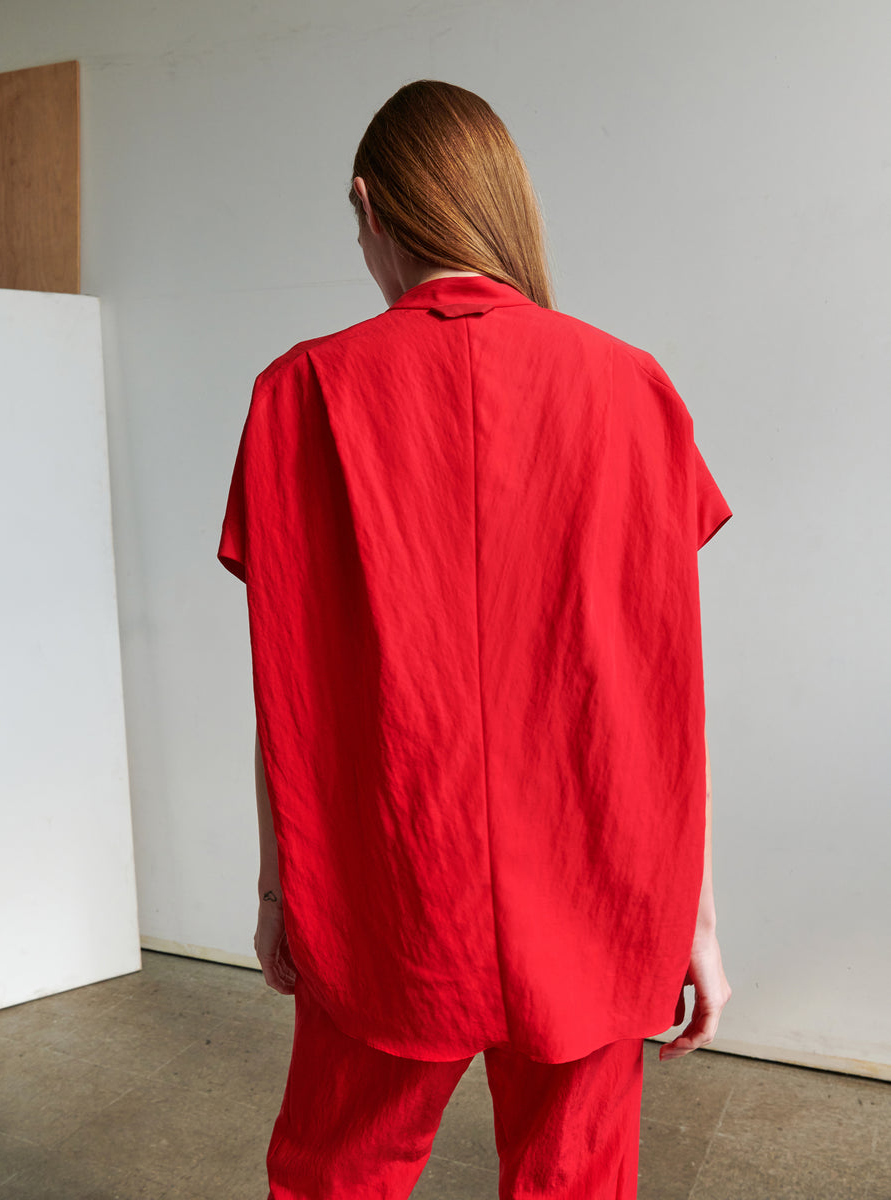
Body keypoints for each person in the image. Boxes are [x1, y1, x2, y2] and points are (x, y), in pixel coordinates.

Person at [218, 79, 732, 1200]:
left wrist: (279, 895)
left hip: (382, 884)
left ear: (370, 205)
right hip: (605, 886)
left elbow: (289, 687)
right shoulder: (633, 389)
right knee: (574, 1184)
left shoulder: (299, 395)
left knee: (336, 1175)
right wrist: (690, 913)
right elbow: (664, 684)